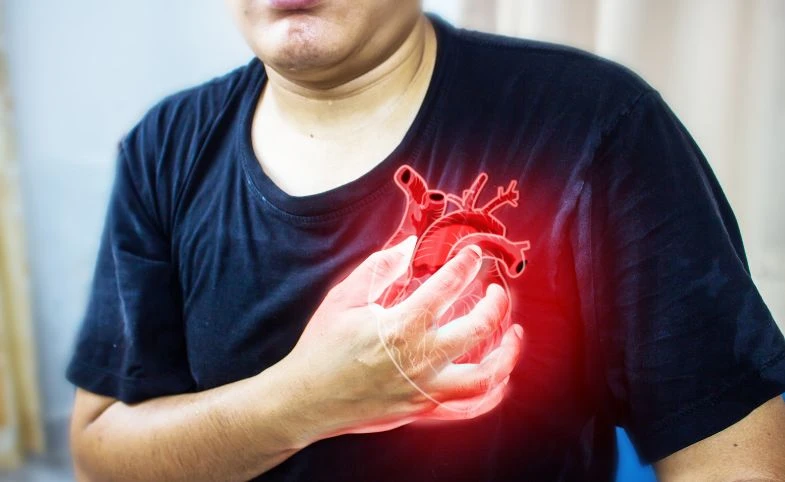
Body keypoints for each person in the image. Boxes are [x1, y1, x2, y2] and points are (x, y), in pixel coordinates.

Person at [66, 1, 785, 480]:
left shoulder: (597, 126)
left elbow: (734, 460)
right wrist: (301, 400)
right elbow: (101, 447)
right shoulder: (162, 148)